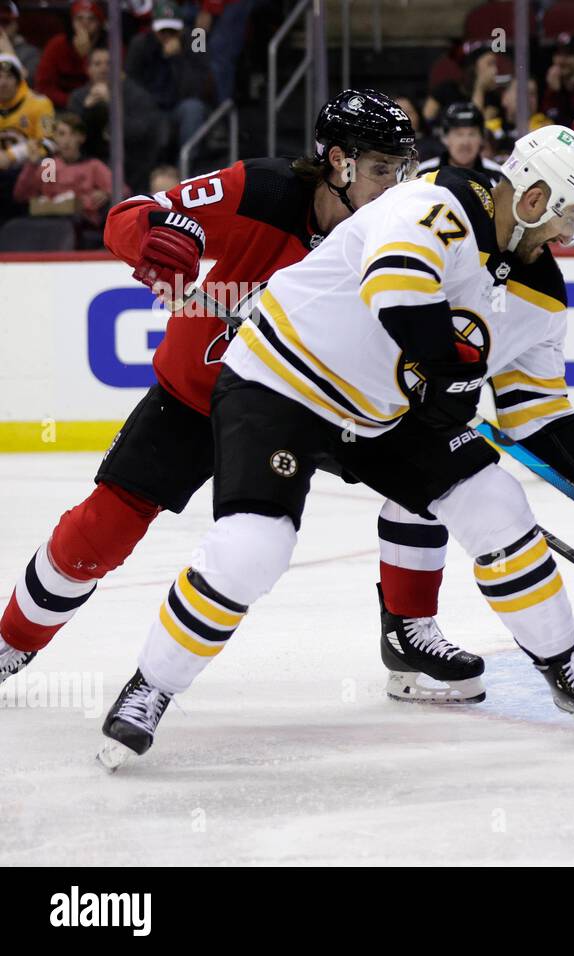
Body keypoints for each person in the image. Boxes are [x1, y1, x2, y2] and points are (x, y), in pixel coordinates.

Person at [96, 125, 574, 764]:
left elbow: (538, 408)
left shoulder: (541, 291)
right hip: (282, 378)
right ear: (532, 199)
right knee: (256, 545)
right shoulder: (435, 201)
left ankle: (567, 669)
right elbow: (395, 285)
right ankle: (152, 686)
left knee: (496, 504)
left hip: (382, 412)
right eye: (570, 218)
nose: (569, 236)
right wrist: (449, 372)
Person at [0, 91, 473, 711]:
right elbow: (134, 213)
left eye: (403, 169)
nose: (396, 185)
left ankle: (408, 632)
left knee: (431, 476)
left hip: (319, 403)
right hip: (200, 395)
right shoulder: (262, 190)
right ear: (339, 162)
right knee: (99, 534)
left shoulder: (399, 227)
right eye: (382, 168)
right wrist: (160, 244)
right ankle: (13, 642)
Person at [68, 46, 161, 194]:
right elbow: (74, 142)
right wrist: (87, 112)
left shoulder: (136, 94)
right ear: (88, 69)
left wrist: (112, 105)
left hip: (131, 164)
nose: (104, 69)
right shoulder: (79, 98)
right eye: (97, 64)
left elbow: (140, 134)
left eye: (109, 64)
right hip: (89, 168)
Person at [126, 3, 216, 154]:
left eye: (172, 31)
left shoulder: (196, 38)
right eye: (163, 30)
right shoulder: (139, 43)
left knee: (193, 108)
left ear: (181, 29)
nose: (167, 35)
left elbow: (197, 88)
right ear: (153, 28)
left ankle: (187, 167)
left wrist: (177, 59)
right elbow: (131, 84)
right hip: (149, 107)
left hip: (178, 106)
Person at [13, 111, 111, 233]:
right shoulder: (48, 165)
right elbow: (21, 195)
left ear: (81, 138)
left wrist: (106, 194)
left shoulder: (93, 165)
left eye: (73, 134)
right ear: (55, 138)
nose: (67, 140)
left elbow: (121, 190)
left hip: (82, 224)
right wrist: (31, 165)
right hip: (48, 220)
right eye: (61, 134)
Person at [34, 0, 104, 109]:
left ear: (99, 23)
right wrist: (74, 101)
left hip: (100, 105)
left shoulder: (110, 46)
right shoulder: (57, 45)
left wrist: (87, 56)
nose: (85, 24)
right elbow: (43, 87)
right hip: (61, 108)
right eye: (79, 18)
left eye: (91, 19)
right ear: (72, 22)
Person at [416, 101, 503, 182]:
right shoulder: (423, 174)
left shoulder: (498, 176)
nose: (465, 142)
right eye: (459, 134)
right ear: (445, 138)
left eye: (472, 134)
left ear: (482, 138)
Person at [0, 53, 53, 173]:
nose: (3, 83)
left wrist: (12, 155)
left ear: (19, 81)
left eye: (9, 77)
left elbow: (49, 143)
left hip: (28, 171)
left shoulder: (40, 103)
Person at [0, 0, 41, 81]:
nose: (0, 28)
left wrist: (10, 53)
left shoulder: (31, 53)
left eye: (5, 22)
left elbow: (28, 83)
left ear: (16, 23)